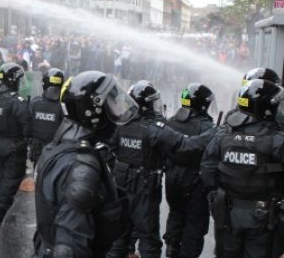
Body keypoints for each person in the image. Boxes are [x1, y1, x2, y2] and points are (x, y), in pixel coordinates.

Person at [107, 81, 216, 258]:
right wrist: (215, 134)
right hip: (144, 185)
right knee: (148, 237)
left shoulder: (120, 125)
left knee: (120, 233)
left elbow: (106, 150)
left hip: (120, 182)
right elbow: (185, 145)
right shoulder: (153, 129)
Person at [34, 70, 137, 258]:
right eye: (110, 104)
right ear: (93, 111)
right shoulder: (81, 167)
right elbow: (70, 248)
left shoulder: (58, 146)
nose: (115, 110)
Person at [201, 78, 284, 258]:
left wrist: (214, 198)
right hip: (263, 217)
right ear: (268, 108)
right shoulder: (277, 140)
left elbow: (207, 169)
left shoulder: (223, 135)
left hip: (227, 213)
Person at [163, 83, 216, 258]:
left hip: (172, 179)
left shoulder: (170, 122)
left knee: (176, 214)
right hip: (195, 182)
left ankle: (171, 249)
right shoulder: (208, 128)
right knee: (195, 223)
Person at [0, 62, 31, 223]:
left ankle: (0, 207)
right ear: (12, 80)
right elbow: (27, 127)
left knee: (2, 178)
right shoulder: (16, 101)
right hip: (14, 146)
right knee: (11, 180)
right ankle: (0, 213)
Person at [28, 68, 65, 165]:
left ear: (44, 83)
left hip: (37, 150)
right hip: (56, 151)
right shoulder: (64, 106)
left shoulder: (35, 103)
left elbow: (27, 125)